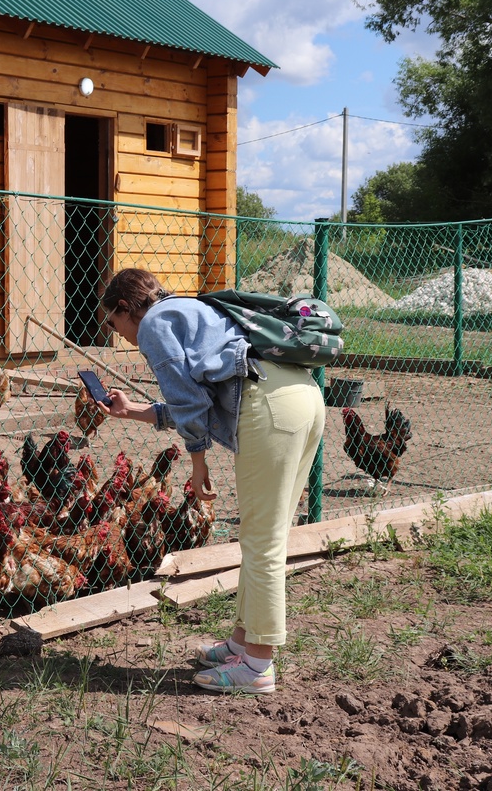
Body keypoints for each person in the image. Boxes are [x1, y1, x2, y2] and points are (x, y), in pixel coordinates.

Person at [98, 268, 325, 694]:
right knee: (264, 535)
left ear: (126, 309)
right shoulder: (191, 308)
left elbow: (187, 400)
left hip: (271, 406)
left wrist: (197, 462)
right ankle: (243, 642)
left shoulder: (153, 324)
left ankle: (258, 666)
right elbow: (201, 397)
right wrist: (132, 411)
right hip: (303, 396)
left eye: (112, 323)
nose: (119, 333)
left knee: (262, 539)